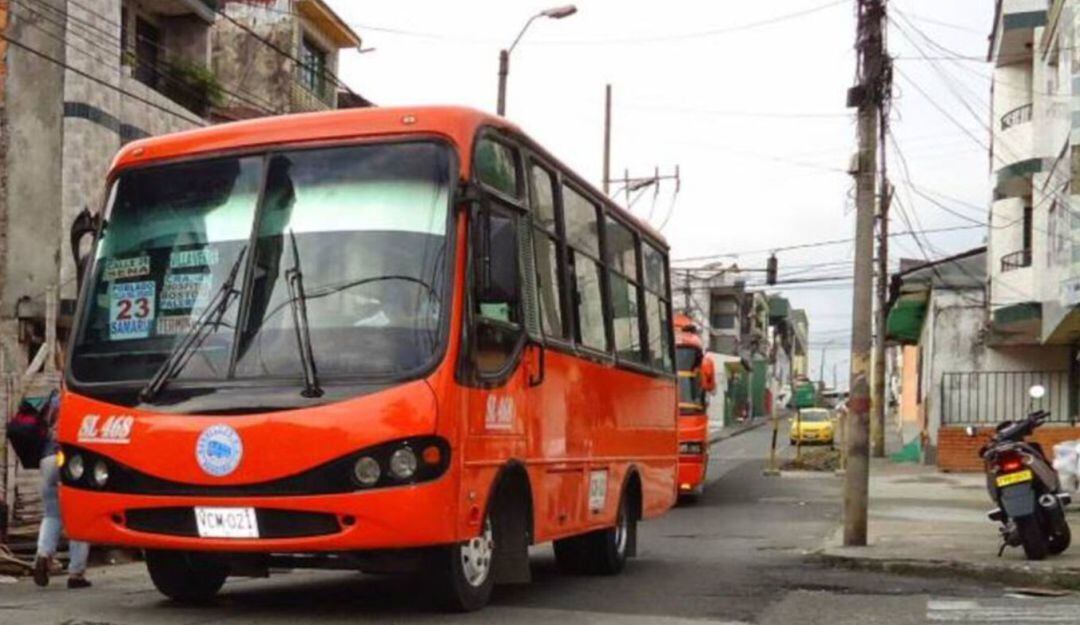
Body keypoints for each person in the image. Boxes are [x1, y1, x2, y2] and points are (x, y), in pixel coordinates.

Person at [33, 391, 91, 589]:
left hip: (47, 458)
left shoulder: (54, 398)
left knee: (52, 515)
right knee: (79, 517)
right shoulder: (83, 398)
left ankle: (43, 554)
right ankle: (76, 574)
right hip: (70, 460)